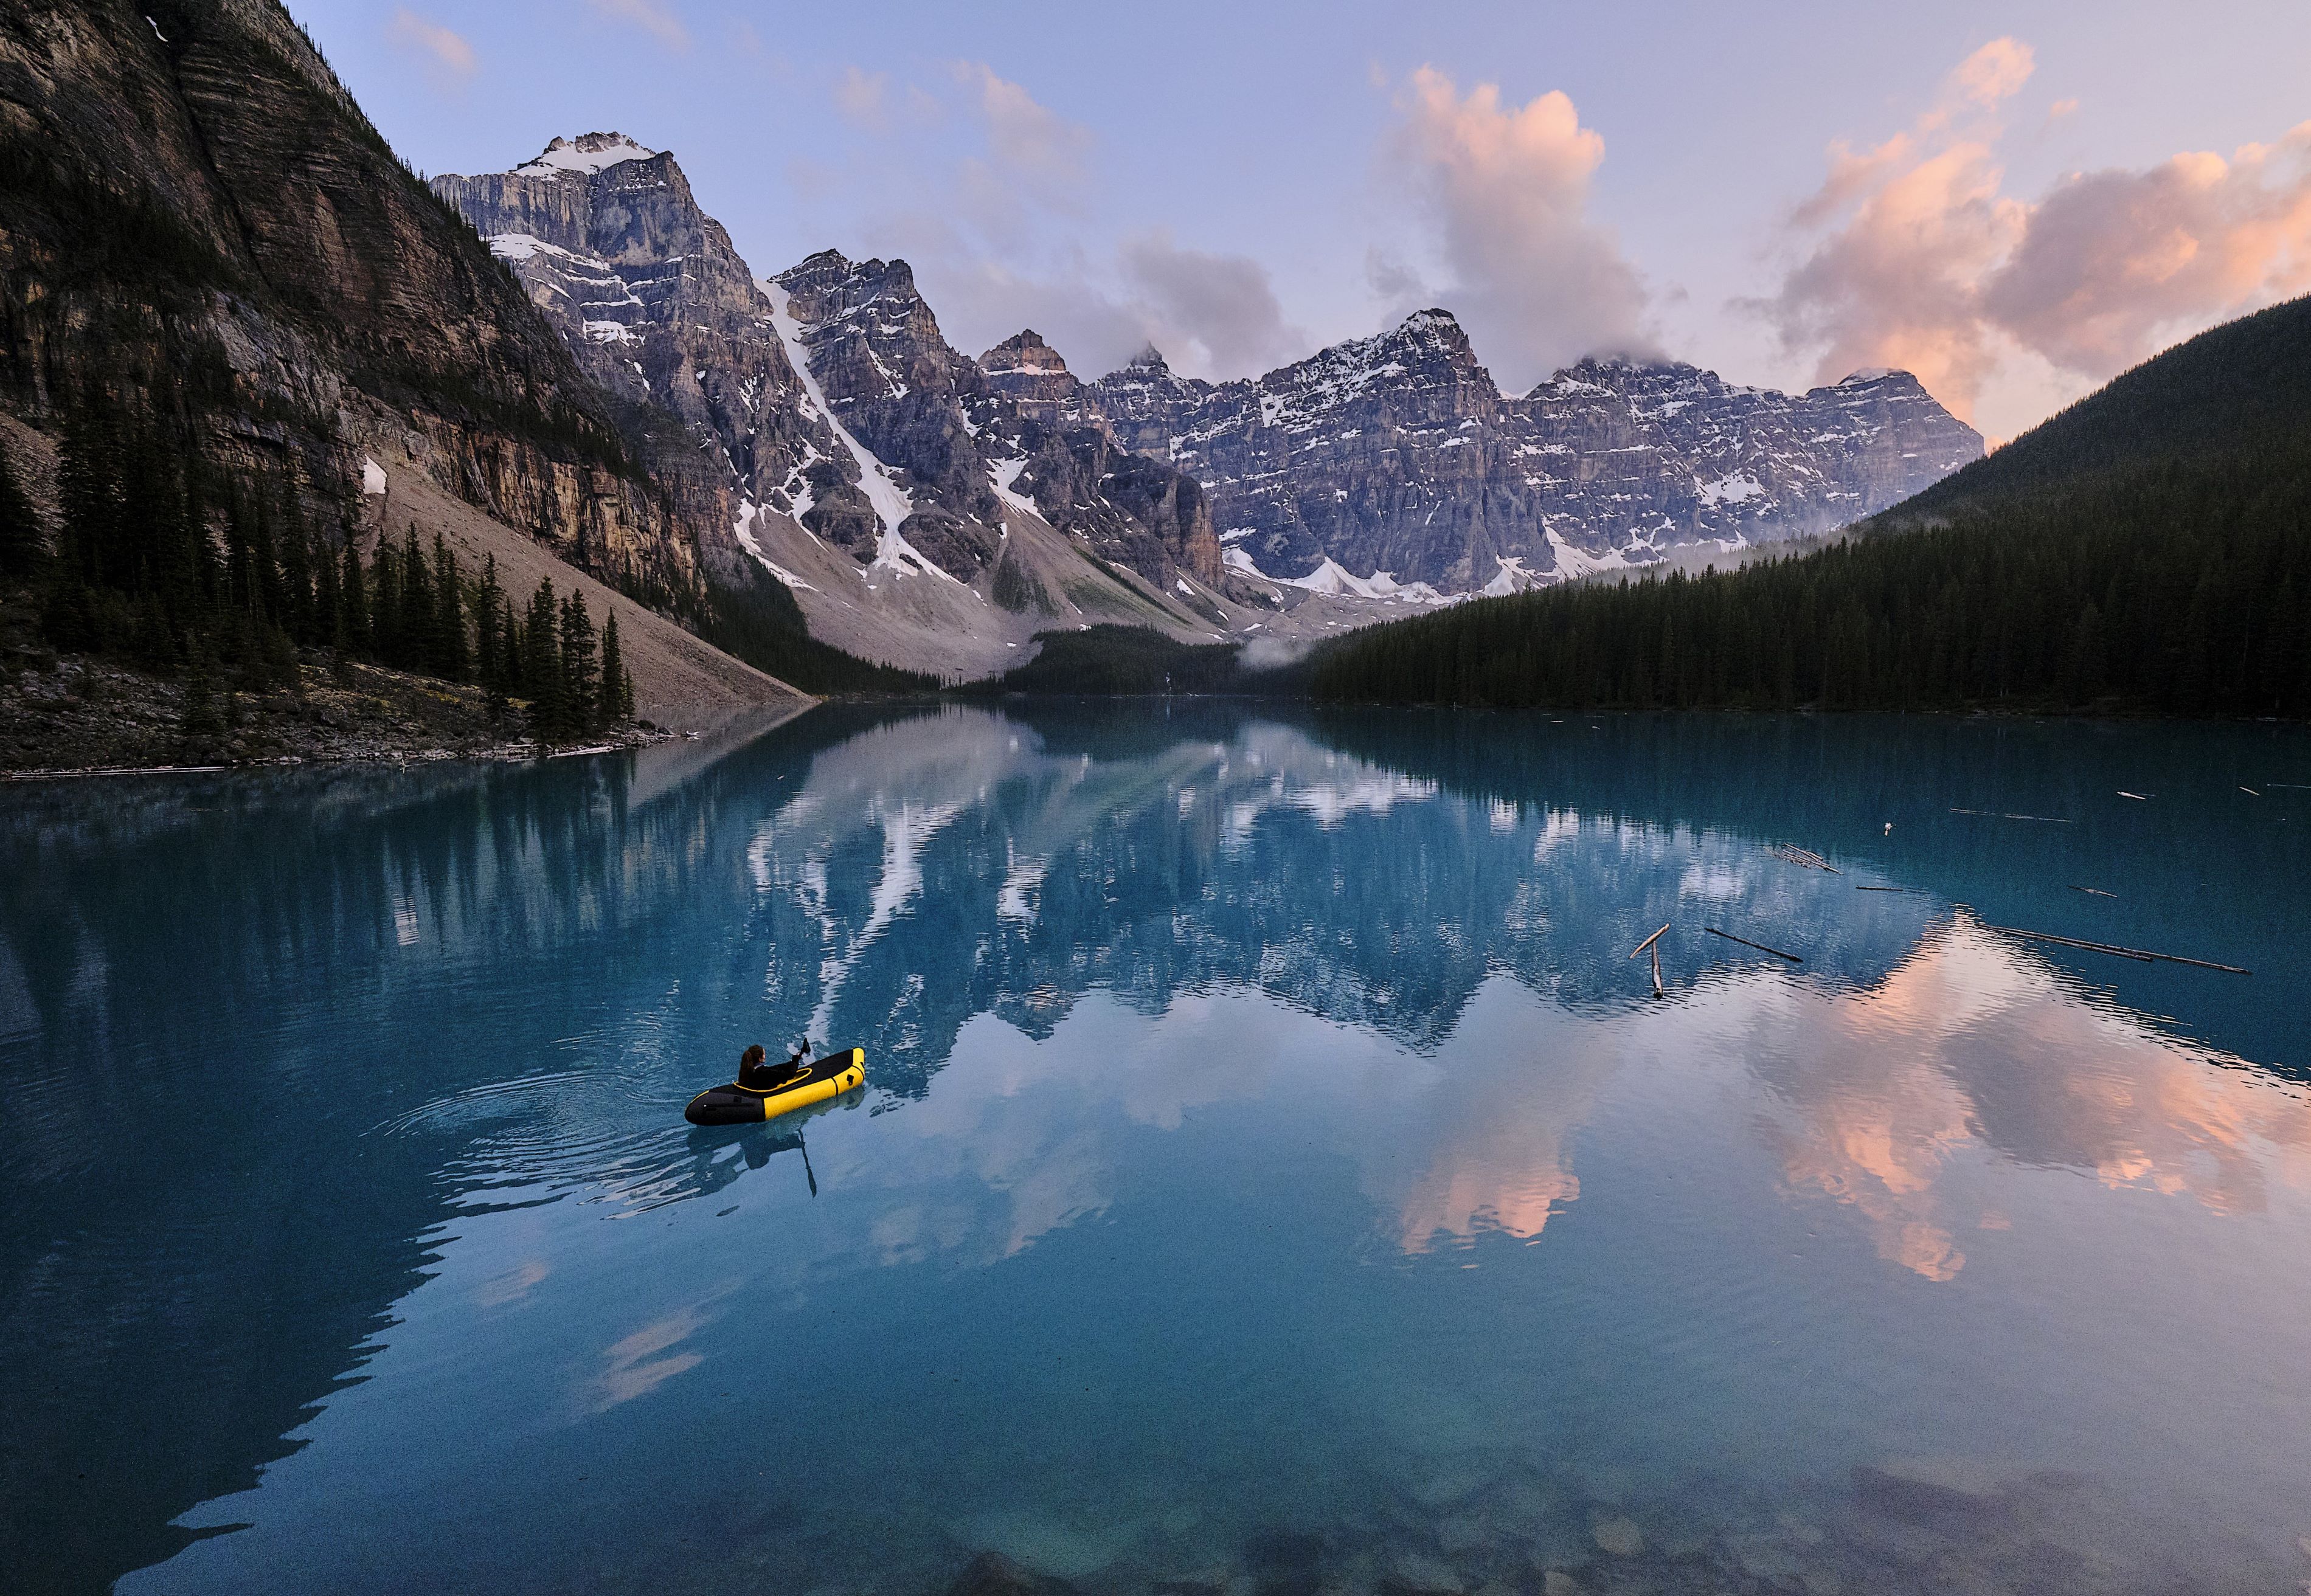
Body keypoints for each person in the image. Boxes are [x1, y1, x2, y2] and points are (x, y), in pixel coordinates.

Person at [738, 1042, 809, 1091]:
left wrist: (791, 1063)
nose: (765, 1056)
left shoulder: (746, 1070)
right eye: (764, 1054)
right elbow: (790, 1074)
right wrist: (796, 1061)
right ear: (760, 1059)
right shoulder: (765, 1073)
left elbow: (775, 1069)